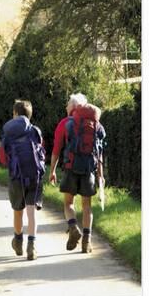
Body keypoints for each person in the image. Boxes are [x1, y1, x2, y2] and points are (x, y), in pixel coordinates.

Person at [49, 93, 105, 253]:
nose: (66, 106)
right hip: (89, 170)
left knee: (68, 203)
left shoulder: (65, 124)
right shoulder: (97, 125)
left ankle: (73, 227)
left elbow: (56, 150)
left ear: (73, 107)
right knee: (87, 206)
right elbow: (99, 153)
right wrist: (101, 175)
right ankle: (86, 242)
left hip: (70, 167)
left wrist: (52, 170)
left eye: (68, 103)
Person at [0, 100, 46, 260]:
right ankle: (31, 246)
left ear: (15, 114)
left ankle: (18, 240)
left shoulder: (8, 133)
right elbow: (42, 152)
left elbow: (3, 158)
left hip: (16, 176)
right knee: (31, 212)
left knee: (18, 212)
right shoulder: (35, 131)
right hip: (34, 175)